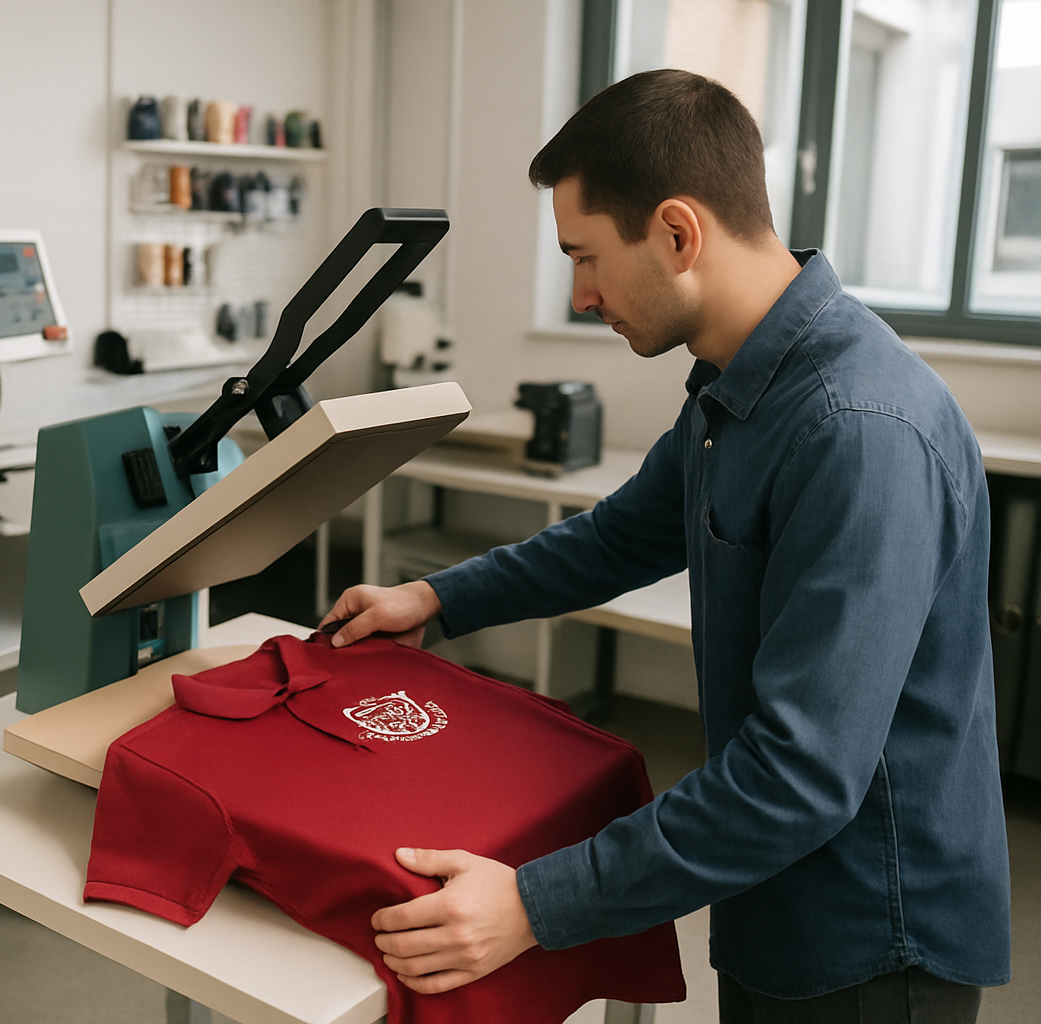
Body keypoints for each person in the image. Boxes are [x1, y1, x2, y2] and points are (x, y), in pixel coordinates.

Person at [319, 68, 1010, 1022]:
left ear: (679, 234)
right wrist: (437, 600)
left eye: (587, 257)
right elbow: (620, 535)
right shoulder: (735, 384)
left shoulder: (859, 430)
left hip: (872, 934)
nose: (582, 294)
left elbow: (798, 774)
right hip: (772, 889)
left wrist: (532, 903)